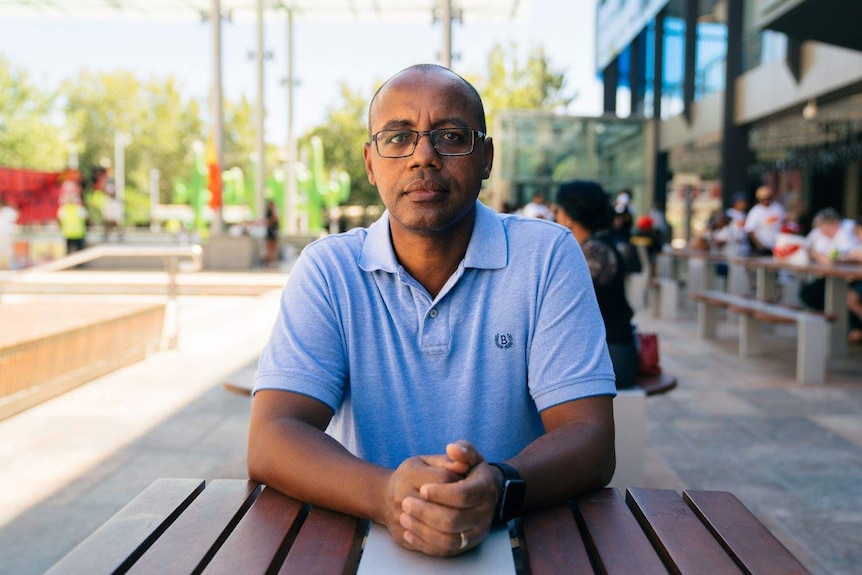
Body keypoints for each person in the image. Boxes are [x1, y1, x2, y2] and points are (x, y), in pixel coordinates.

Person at [248, 64, 616, 558]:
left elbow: (590, 437)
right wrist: (387, 496)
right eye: (398, 137)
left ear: (486, 157)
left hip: (518, 539)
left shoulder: (547, 256)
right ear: (370, 162)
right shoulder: (329, 269)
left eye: (450, 136)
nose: (424, 156)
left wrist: (497, 487)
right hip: (363, 540)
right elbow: (271, 437)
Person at [554, 180, 638, 389]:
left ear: (569, 216)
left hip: (610, 357)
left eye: (558, 209)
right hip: (609, 350)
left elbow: (560, 302)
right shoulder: (600, 244)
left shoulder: (594, 252)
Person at [799, 208, 859, 312]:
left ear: (835, 224)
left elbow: (843, 258)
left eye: (824, 227)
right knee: (807, 294)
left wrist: (819, 256)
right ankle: (834, 317)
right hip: (832, 275)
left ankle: (840, 318)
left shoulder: (849, 228)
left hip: (852, 278)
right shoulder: (818, 232)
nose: (822, 231)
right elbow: (806, 248)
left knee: (849, 298)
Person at [744, 185, 784, 256]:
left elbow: (783, 223)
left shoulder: (778, 208)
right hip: (763, 248)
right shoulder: (755, 211)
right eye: (763, 199)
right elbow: (749, 230)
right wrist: (759, 245)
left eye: (768, 198)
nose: (766, 201)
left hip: (777, 246)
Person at [841, 217, 862, 343]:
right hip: (856, 280)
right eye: (858, 232)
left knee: (850, 298)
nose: (859, 235)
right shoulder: (856, 244)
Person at [57, 180, 88, 255]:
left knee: (69, 253)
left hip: (68, 234)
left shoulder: (63, 209)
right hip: (79, 233)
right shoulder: (79, 208)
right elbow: (86, 219)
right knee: (80, 253)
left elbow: (59, 220)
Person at [0, 197, 19, 270]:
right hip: (2, 233)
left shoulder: (8, 211)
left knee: (7, 250)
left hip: (7, 233)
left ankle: (7, 266)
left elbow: (15, 216)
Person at [264, 199, 280, 268]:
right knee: (269, 248)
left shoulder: (274, 211)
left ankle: (273, 261)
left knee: (274, 247)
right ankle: (269, 261)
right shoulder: (269, 212)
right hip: (270, 232)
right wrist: (274, 218)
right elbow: (269, 221)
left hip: (274, 232)